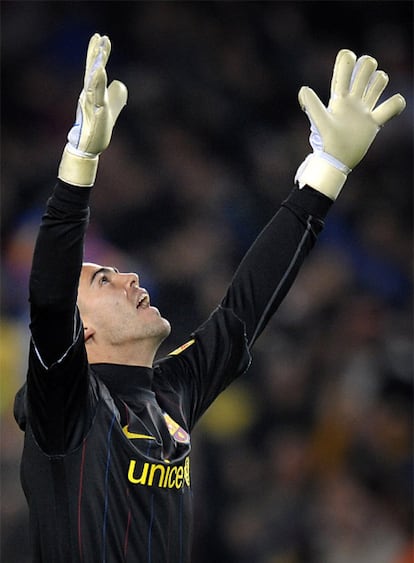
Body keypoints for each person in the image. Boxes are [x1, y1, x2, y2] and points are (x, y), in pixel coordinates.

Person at [13, 33, 405, 563]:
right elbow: (50, 297)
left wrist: (326, 172)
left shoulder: (171, 390)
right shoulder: (66, 405)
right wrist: (80, 161)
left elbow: (244, 309)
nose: (128, 277)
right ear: (80, 332)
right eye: (102, 279)